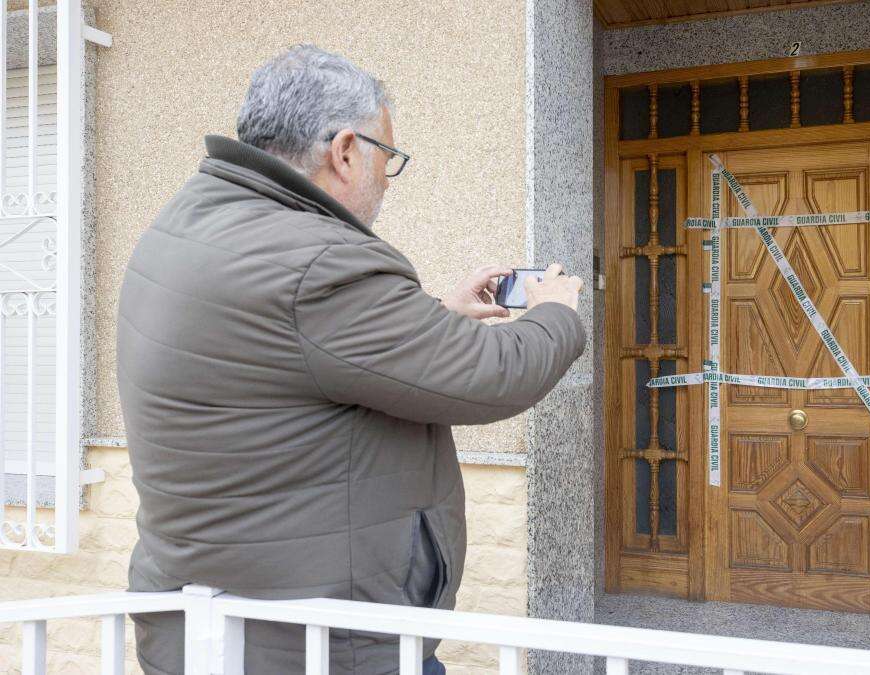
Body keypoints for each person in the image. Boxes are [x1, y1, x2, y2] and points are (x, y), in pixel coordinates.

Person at [116, 44, 586, 674]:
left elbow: (293, 360)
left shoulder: (187, 224)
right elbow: (497, 376)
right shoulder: (322, 263)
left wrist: (437, 318)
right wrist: (559, 309)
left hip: (204, 627)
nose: (385, 181)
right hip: (323, 641)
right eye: (386, 158)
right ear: (343, 151)